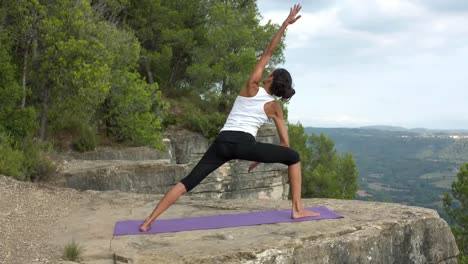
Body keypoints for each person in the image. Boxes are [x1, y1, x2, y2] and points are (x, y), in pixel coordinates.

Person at [139, 4, 319, 232]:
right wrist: (259, 156)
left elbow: (267, 52)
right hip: (245, 145)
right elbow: (285, 146)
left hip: (223, 142)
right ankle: (297, 209)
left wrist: (285, 24)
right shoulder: (275, 107)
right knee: (294, 157)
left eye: (270, 71)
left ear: (270, 77)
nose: (267, 71)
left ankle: (149, 221)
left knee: (189, 181)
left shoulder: (251, 86)